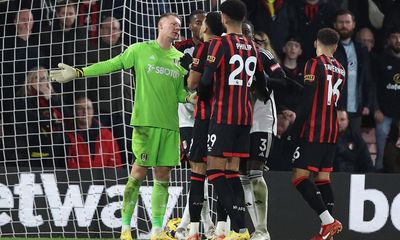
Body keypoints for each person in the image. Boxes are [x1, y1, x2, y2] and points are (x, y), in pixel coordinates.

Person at [49, 12, 196, 240]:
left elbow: (179, 92)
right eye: (172, 25)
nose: (177, 28)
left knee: (163, 176)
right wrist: (79, 72)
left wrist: (190, 98)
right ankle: (125, 228)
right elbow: (111, 64)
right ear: (160, 26)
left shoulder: (179, 58)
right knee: (138, 173)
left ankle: (157, 229)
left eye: (179, 26)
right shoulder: (139, 50)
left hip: (170, 126)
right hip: (146, 123)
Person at [199, 1, 269, 239]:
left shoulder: (219, 43)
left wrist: (204, 96)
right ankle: (240, 230)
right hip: (245, 118)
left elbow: (206, 80)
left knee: (214, 171)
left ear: (224, 18)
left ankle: (238, 227)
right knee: (232, 174)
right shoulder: (251, 45)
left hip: (222, 114)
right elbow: (263, 84)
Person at [289, 28, 345, 240]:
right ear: (336, 47)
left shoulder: (314, 64)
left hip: (314, 128)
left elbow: (307, 101)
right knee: (323, 178)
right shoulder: (340, 68)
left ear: (316, 42)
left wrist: (294, 132)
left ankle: (329, 222)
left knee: (299, 177)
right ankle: (327, 229)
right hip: (332, 129)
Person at [240, 21, 287, 240]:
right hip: (237, 121)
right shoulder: (230, 55)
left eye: (247, 33)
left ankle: (262, 230)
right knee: (240, 176)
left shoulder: (264, 55)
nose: (245, 37)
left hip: (261, 120)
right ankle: (244, 229)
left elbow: (282, 80)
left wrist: (263, 81)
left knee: (255, 172)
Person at [183, 11, 224, 240]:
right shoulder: (232, 47)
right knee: (226, 172)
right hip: (227, 120)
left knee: (198, 171)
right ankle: (222, 230)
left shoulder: (203, 48)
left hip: (205, 115)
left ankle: (194, 230)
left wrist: (189, 69)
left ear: (206, 28)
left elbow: (192, 83)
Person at [13, 66, 69, 168]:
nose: (40, 82)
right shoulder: (22, 99)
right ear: (30, 81)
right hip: (32, 153)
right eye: (36, 78)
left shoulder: (55, 98)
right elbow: (30, 119)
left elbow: (68, 115)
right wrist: (53, 121)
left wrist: (50, 98)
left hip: (57, 153)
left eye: (44, 79)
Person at [333, 9, 373, 135]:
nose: (344, 25)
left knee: (353, 145)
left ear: (353, 24)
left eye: (347, 22)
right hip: (335, 108)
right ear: (335, 25)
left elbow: (367, 78)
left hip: (356, 107)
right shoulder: (329, 48)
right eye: (340, 22)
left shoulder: (361, 49)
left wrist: (367, 103)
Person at [65, 97, 123, 169]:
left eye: (88, 108)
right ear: (74, 112)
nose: (85, 111)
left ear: (93, 112)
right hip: (78, 178)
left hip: (104, 178)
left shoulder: (106, 135)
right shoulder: (67, 135)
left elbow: (116, 163)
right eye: (80, 108)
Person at [373, 27, 400, 171]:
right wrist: (376, 109)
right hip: (385, 113)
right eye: (395, 37)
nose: (398, 41)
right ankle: (378, 175)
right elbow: (374, 86)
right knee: (381, 152)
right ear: (389, 40)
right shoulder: (381, 60)